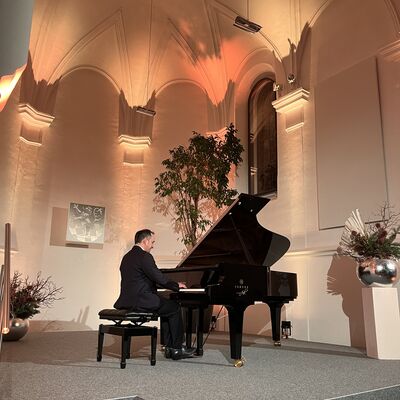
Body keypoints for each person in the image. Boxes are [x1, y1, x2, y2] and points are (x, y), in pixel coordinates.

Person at [114, 229, 195, 360]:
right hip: (142, 300)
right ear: (145, 241)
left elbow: (141, 279)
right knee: (174, 307)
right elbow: (159, 278)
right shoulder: (145, 256)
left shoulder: (127, 257)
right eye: (152, 242)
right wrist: (176, 285)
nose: (152, 245)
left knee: (166, 307)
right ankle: (177, 348)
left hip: (127, 300)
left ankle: (169, 347)